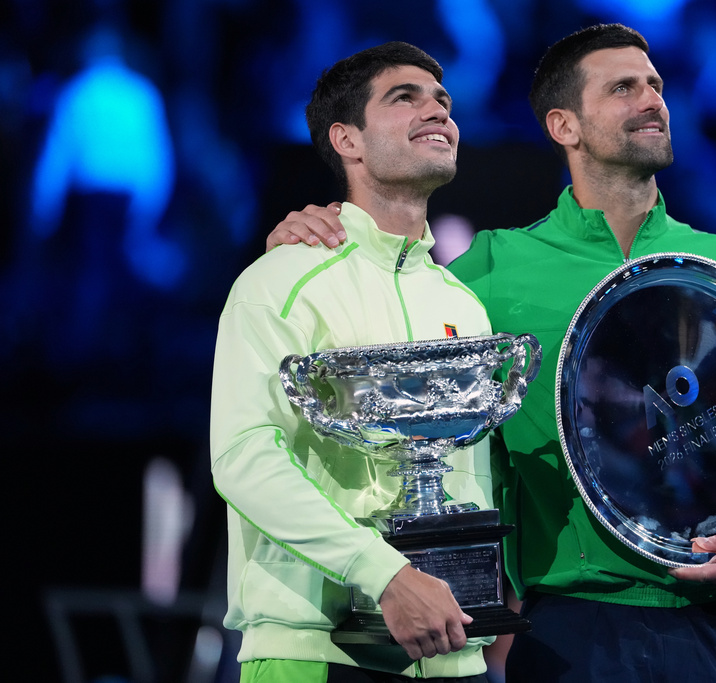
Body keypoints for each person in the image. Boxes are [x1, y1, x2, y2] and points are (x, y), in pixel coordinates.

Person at [267, 24, 716, 683]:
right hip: (574, 635)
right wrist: (317, 240)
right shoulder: (492, 269)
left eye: (655, 85)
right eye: (623, 88)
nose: (651, 99)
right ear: (564, 125)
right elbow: (378, 340)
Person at [210, 42, 496, 683]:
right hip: (317, 652)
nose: (438, 111)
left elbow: (472, 479)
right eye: (406, 97)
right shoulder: (280, 280)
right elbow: (243, 457)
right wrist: (386, 575)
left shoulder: (462, 304)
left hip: (454, 654)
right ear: (347, 139)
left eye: (443, 101)